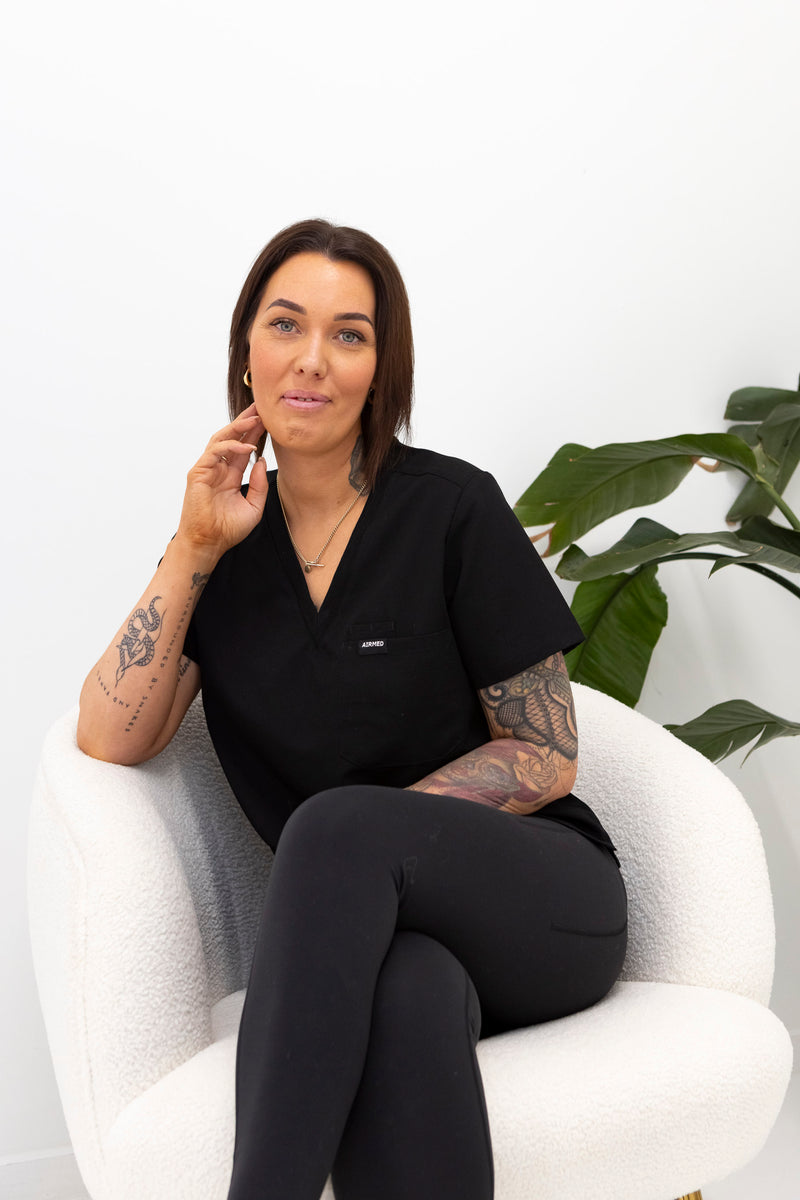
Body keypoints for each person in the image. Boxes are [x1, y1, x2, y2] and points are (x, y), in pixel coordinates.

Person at [77, 219, 627, 1200]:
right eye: (286, 325)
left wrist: (371, 848)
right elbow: (110, 735)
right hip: (379, 944)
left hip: (541, 906)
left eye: (349, 335)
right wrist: (192, 546)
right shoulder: (224, 552)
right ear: (247, 350)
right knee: (408, 992)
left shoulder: (452, 508)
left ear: (382, 368)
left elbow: (546, 755)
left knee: (337, 829)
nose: (312, 360)